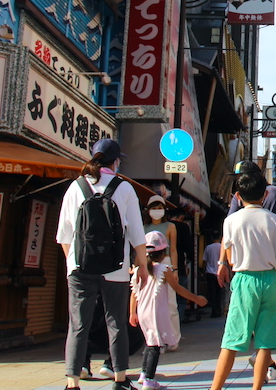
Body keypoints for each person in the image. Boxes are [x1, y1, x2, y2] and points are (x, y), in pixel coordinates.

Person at [57, 138, 148, 390]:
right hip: (116, 268)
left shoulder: (75, 187)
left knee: (77, 325)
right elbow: (137, 233)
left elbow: (64, 235)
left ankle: (72, 382)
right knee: (116, 322)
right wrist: (142, 265)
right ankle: (120, 379)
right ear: (115, 161)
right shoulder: (124, 188)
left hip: (79, 268)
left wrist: (72, 263)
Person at [210, 170, 276, 390]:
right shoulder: (275, 220)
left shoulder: (231, 221)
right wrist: (272, 268)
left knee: (232, 338)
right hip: (270, 278)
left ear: (238, 196)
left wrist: (229, 266)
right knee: (265, 341)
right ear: (265, 195)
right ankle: (257, 387)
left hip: (244, 277)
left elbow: (228, 253)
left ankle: (215, 388)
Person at [130, 231, 207, 390]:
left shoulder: (138, 270)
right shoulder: (165, 270)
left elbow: (133, 294)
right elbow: (178, 289)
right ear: (164, 253)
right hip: (156, 312)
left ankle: (144, 373)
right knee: (155, 346)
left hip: (143, 311)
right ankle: (149, 380)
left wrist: (132, 312)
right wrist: (196, 299)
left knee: (149, 343)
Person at [143, 195, 180, 349]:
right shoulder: (143, 228)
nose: (156, 211)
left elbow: (173, 249)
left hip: (165, 262)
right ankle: (157, 339)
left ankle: (173, 338)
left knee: (170, 302)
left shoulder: (170, 227)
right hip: (148, 264)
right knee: (151, 303)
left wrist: (175, 269)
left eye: (159, 208)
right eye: (154, 208)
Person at [169, 210, 194, 322]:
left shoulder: (165, 226)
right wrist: (189, 259)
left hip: (164, 264)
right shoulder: (183, 227)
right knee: (181, 297)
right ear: (182, 217)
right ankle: (177, 321)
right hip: (180, 265)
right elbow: (188, 247)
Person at [202, 230, 224, 318]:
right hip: (220, 272)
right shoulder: (222, 247)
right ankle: (219, 309)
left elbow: (205, 261)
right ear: (220, 237)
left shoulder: (208, 247)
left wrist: (203, 271)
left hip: (210, 272)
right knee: (219, 293)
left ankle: (214, 311)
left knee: (212, 293)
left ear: (211, 238)